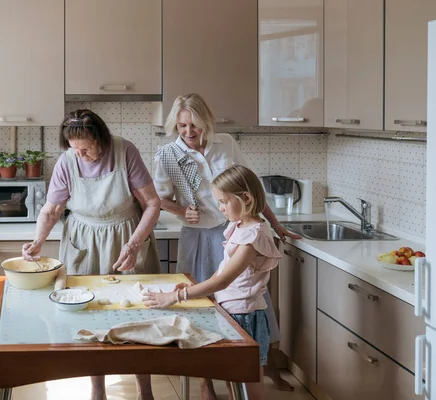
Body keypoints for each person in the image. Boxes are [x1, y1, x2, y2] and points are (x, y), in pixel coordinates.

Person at [154, 93, 297, 391]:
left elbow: (250, 185)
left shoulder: (226, 143)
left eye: (195, 125)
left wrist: (276, 224)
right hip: (198, 236)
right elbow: (159, 198)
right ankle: (207, 383)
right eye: (182, 126)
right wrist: (182, 210)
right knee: (202, 305)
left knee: (251, 299)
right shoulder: (167, 154)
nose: (189, 132)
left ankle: (265, 367)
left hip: (235, 229)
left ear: (207, 122)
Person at [22, 109, 161, 400]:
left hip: (127, 236)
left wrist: (135, 244)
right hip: (83, 241)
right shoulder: (67, 161)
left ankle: (144, 390)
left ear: (102, 139)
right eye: (75, 150)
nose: (81, 155)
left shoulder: (125, 151)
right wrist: (37, 241)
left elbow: (151, 203)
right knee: (86, 319)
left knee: (136, 313)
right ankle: (97, 389)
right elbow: (51, 209)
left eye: (86, 148)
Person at [144, 165, 282, 400]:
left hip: (246, 316)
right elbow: (222, 271)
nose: (220, 208)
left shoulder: (254, 236)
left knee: (248, 384)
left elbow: (223, 280)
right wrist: (190, 289)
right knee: (234, 380)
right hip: (234, 311)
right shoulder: (239, 226)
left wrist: (176, 296)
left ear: (246, 198)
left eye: (223, 202)